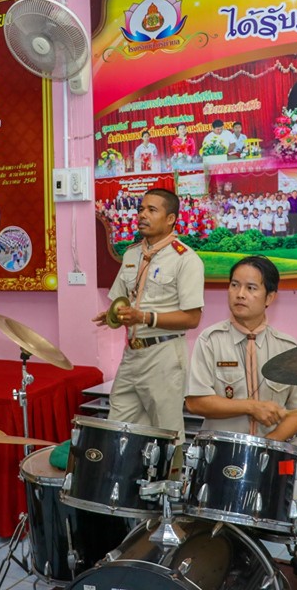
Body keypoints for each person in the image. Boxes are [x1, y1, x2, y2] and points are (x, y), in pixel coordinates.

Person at [185, 255, 297, 581]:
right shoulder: (210, 341)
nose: (240, 294)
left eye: (251, 288)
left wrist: (269, 446)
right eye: (234, 285)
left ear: (270, 297)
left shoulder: (288, 348)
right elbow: (196, 402)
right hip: (223, 460)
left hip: (279, 459)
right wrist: (250, 407)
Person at [93, 188, 204, 440]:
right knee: (117, 430)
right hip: (132, 355)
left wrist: (143, 317)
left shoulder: (186, 259)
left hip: (163, 355)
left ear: (170, 219)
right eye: (141, 209)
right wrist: (112, 315)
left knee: (167, 435)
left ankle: (173, 469)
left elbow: (192, 318)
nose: (142, 215)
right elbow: (123, 300)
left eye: (152, 210)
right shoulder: (132, 254)